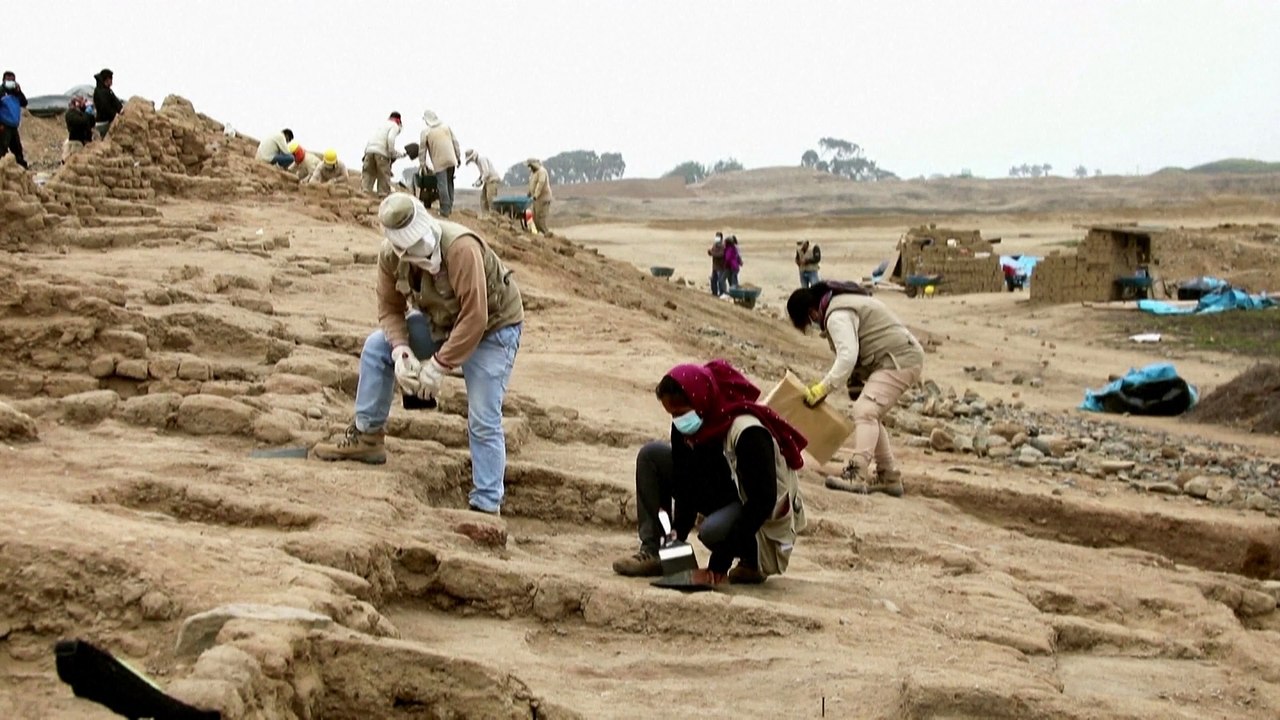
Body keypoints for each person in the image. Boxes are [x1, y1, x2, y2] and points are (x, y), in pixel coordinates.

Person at [313, 194, 524, 516]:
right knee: (376, 348)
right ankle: (368, 436)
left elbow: (475, 317)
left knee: (483, 416)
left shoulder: (461, 248)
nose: (424, 254)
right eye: (414, 251)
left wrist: (439, 366)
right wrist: (401, 351)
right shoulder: (390, 258)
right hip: (440, 322)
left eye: (425, 246)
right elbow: (389, 310)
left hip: (493, 329)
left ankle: (486, 503)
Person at [611, 360, 808, 586]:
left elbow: (762, 502)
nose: (678, 421)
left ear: (700, 401)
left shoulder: (748, 432)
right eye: (672, 415)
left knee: (712, 531)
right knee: (651, 456)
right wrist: (673, 544)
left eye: (681, 413)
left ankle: (752, 561)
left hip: (760, 519)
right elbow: (687, 485)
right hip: (724, 493)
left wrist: (718, 565)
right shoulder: (689, 428)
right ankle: (656, 552)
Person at [786, 281, 925, 497]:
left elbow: (848, 356)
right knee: (871, 414)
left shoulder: (836, 315)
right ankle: (889, 476)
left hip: (899, 360)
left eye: (808, 321)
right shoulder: (840, 305)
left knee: (865, 411)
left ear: (812, 312)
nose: (812, 325)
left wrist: (823, 388)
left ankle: (855, 475)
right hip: (897, 357)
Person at [420, 110, 461, 217]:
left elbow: (422, 150)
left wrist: (422, 164)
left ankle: (444, 210)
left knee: (442, 185)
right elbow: (455, 142)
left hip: (439, 161)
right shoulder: (446, 127)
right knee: (449, 182)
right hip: (451, 159)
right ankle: (450, 206)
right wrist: (458, 157)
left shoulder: (426, 132)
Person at [362, 112, 404, 197]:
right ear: (399, 120)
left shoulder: (382, 125)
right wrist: (392, 153)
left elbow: (372, 139)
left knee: (368, 175)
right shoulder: (394, 126)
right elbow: (390, 139)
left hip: (369, 151)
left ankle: (364, 196)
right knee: (383, 177)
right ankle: (382, 197)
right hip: (381, 154)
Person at [0, 71, 28, 168]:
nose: (11, 81)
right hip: (3, 125)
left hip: (13, 126)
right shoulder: (1, 92)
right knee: (2, 149)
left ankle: (22, 169)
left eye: (12, 80)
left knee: (17, 149)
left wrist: (19, 91)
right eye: (8, 79)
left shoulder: (15, 93)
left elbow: (24, 103)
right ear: (3, 80)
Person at [465, 149, 500, 214]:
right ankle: (486, 216)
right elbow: (482, 173)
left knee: (490, 199)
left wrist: (481, 181)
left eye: (471, 159)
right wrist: (477, 181)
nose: (471, 161)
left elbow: (486, 172)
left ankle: (494, 215)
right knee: (483, 199)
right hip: (488, 181)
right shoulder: (478, 162)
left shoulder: (481, 159)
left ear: (473, 156)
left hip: (492, 180)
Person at [92, 69, 124, 138]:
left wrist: (121, 109)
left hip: (108, 121)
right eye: (111, 79)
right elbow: (105, 107)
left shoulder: (107, 90)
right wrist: (114, 114)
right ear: (106, 79)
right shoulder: (100, 91)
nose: (112, 81)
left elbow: (115, 101)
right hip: (103, 123)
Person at [63, 95, 95, 163]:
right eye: (82, 102)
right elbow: (81, 122)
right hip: (76, 142)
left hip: (85, 142)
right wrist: (86, 113)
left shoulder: (82, 113)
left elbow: (91, 123)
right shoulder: (70, 113)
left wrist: (90, 114)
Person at [526, 158, 553, 234]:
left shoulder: (542, 171)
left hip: (543, 199)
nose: (530, 168)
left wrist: (535, 195)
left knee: (540, 220)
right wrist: (529, 193)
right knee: (535, 220)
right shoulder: (533, 173)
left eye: (530, 166)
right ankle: (539, 237)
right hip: (536, 200)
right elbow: (532, 184)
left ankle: (547, 235)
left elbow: (540, 184)